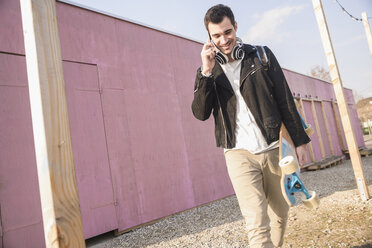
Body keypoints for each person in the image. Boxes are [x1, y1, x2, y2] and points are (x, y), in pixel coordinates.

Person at [191, 4, 311, 248]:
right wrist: (205, 71)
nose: (223, 40)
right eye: (216, 35)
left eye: (227, 32)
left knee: (280, 214)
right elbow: (201, 113)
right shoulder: (208, 71)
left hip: (275, 148)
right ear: (209, 37)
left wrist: (299, 141)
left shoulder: (261, 56)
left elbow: (285, 100)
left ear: (235, 27)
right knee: (256, 222)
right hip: (238, 153)